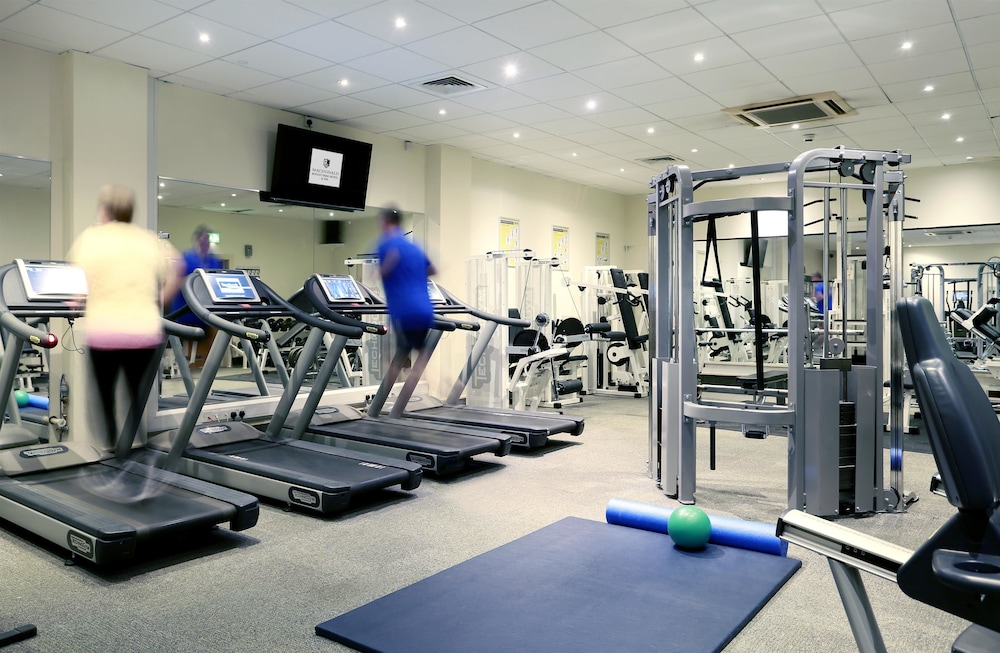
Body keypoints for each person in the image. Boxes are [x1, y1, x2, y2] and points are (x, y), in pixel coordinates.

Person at [68, 184, 184, 451]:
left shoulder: (92, 238)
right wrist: (160, 299)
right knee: (135, 393)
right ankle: (131, 442)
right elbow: (178, 266)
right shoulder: (148, 240)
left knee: (105, 395)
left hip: (105, 331)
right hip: (144, 332)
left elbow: (81, 283)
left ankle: (110, 443)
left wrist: (76, 302)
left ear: (105, 211)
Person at [376, 206, 437, 387]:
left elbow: (384, 270)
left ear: (384, 222)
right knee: (415, 349)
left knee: (394, 356)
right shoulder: (414, 247)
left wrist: (379, 273)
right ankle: (446, 381)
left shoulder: (386, 244)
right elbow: (433, 270)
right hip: (425, 308)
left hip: (404, 310)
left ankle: (387, 396)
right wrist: (414, 277)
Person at [170, 224, 222, 367]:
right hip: (186, 308)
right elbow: (178, 281)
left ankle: (206, 366)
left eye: (207, 240)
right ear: (197, 239)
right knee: (188, 338)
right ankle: (187, 365)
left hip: (204, 309)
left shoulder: (213, 261)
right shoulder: (186, 258)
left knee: (213, 333)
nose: (205, 243)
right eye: (203, 239)